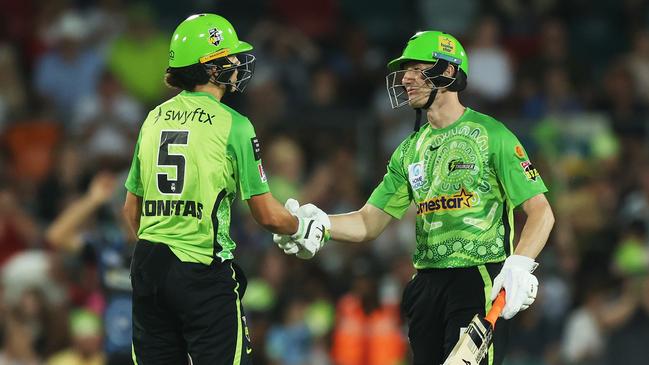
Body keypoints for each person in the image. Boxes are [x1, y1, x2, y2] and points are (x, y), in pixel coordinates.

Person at [275, 31, 555, 365]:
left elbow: (541, 211)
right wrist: (320, 223)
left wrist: (520, 264)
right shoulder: (408, 150)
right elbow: (369, 221)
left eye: (416, 68)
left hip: (477, 279)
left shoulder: (493, 135)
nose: (405, 78)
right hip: (425, 286)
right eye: (405, 70)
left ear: (448, 72)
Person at [122, 14, 329, 365]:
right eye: (229, 57)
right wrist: (302, 226)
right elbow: (266, 215)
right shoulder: (234, 124)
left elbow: (131, 211)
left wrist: (163, 245)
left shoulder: (153, 117)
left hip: (147, 267)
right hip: (202, 270)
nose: (236, 63)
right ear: (210, 67)